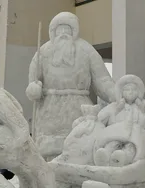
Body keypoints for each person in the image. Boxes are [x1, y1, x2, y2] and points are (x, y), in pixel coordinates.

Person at [26, 12, 115, 161]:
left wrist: (116, 95)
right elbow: (33, 82)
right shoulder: (43, 52)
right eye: (59, 30)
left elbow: (103, 80)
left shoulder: (86, 50)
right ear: (52, 32)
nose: (63, 34)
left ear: (74, 31)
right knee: (48, 154)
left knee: (79, 149)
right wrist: (34, 89)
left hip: (78, 110)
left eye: (67, 29)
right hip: (49, 112)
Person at [94, 75, 145, 166]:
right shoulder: (114, 107)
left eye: (133, 90)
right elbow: (98, 119)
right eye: (127, 90)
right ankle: (104, 155)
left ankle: (123, 158)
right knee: (113, 143)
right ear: (121, 92)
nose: (130, 92)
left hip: (137, 136)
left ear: (138, 92)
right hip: (117, 134)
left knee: (132, 147)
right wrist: (89, 119)